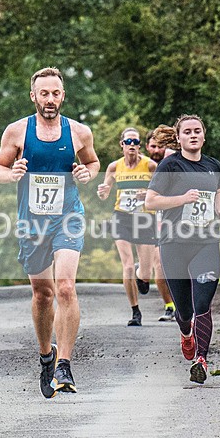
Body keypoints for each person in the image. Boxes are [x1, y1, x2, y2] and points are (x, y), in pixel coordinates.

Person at [0, 67, 99, 398]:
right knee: (43, 293)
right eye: (44, 93)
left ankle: (65, 364)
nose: (50, 99)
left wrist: (85, 173)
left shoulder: (79, 132)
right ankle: (47, 355)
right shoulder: (17, 132)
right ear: (33, 96)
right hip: (32, 222)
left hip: (68, 216)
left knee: (65, 287)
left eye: (56, 93)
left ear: (63, 96)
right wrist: (12, 175)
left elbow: (93, 164)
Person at [144, 115, 220, 384]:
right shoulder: (170, 166)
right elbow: (151, 201)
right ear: (179, 137)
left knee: (203, 303)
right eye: (187, 132)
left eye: (198, 131)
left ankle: (202, 360)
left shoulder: (212, 165)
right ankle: (186, 333)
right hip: (174, 244)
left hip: (206, 241)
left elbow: (218, 189)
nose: (193, 135)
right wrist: (182, 199)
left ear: (204, 136)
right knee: (184, 311)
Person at [97, 128, 158, 326]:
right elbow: (104, 193)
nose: (132, 145)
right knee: (128, 266)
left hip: (144, 218)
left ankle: (143, 275)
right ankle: (135, 311)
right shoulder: (114, 167)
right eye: (128, 141)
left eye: (135, 141)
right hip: (121, 217)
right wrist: (103, 191)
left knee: (145, 273)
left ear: (139, 145)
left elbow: (163, 190)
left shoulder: (150, 165)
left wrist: (147, 194)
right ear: (121, 144)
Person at [143, 126, 178, 322]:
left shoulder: (173, 161)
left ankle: (185, 304)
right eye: (153, 146)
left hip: (178, 218)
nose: (157, 150)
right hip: (155, 220)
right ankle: (169, 306)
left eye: (161, 146)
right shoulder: (145, 165)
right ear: (147, 147)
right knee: (160, 265)